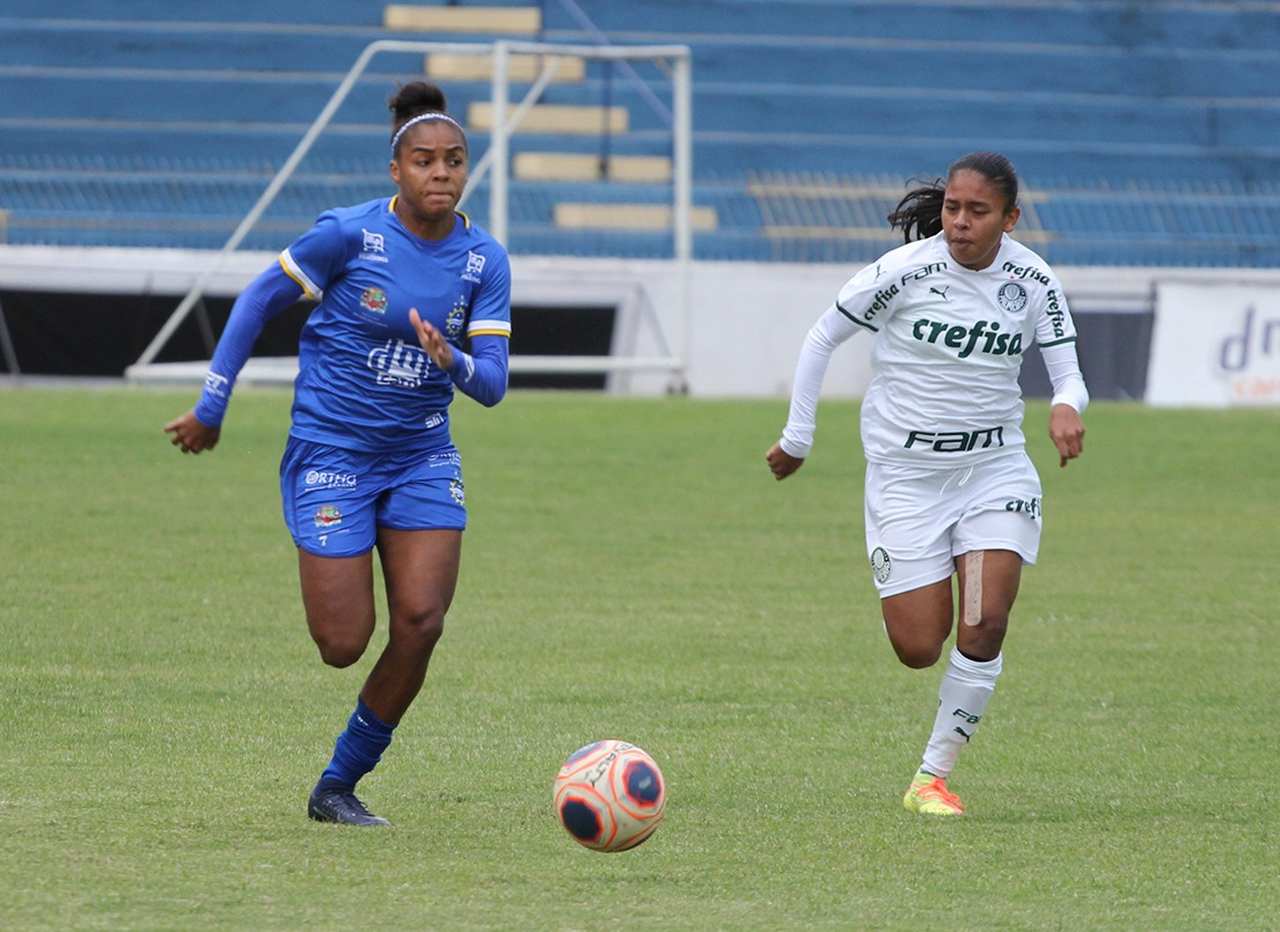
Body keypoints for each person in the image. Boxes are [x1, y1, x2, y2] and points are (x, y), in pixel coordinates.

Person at [164, 82, 512, 826]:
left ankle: (338, 786)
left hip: (422, 455)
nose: (441, 174)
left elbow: (492, 388)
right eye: (425, 161)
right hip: (333, 451)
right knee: (342, 644)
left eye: (454, 161)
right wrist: (212, 406)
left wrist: (450, 361)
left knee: (421, 621)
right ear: (397, 169)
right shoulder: (349, 236)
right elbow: (259, 298)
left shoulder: (485, 260)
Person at [765, 152, 1087, 816]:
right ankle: (930, 575)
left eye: (977, 211)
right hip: (907, 479)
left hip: (994, 470)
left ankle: (930, 778)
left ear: (1010, 217)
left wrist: (1066, 407)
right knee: (918, 647)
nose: (961, 222)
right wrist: (799, 436)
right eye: (952, 209)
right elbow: (823, 337)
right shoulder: (904, 273)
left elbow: (1068, 373)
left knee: (984, 622)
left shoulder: (1032, 279)